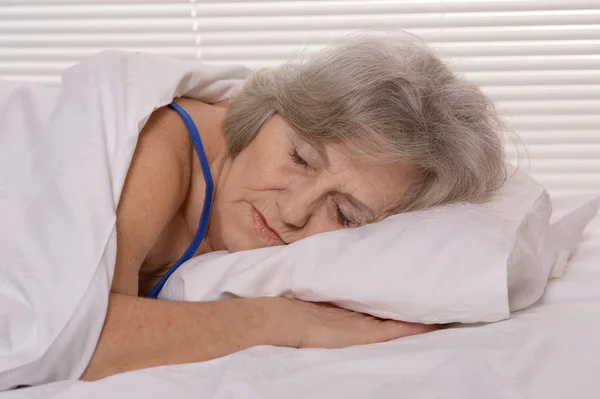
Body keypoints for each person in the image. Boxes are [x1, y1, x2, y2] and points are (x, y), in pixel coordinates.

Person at [81, 36, 507, 380]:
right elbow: (78, 337)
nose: (293, 210)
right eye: (299, 158)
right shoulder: (159, 142)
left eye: (344, 215)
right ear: (269, 112)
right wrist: (288, 322)